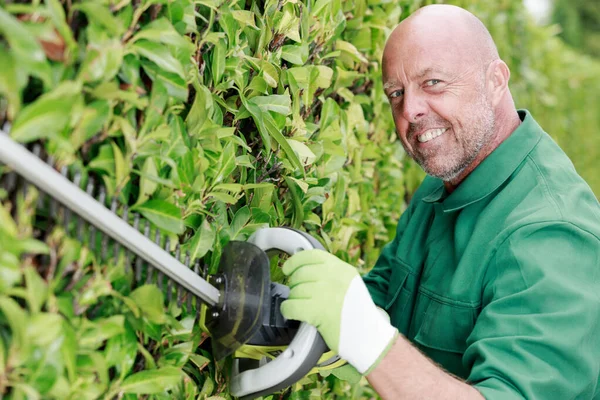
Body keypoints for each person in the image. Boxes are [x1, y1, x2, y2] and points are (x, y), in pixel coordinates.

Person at [280, 4, 600, 399]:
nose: (410, 110)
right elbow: (384, 296)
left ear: (496, 80)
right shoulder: (445, 183)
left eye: (432, 82)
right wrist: (283, 313)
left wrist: (364, 335)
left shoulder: (551, 235)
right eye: (396, 93)